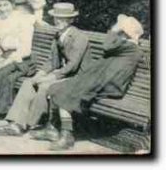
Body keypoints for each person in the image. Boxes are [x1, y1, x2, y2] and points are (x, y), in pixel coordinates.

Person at [37, 14, 144, 150]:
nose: (118, 32)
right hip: (102, 80)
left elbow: (106, 45)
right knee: (57, 87)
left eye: (121, 30)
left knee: (68, 92)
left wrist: (113, 30)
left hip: (109, 84)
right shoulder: (126, 46)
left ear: (126, 33)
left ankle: (67, 135)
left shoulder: (131, 47)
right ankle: (51, 128)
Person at [0, 2, 91, 137]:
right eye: (57, 18)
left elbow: (72, 66)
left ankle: (30, 124)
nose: (59, 21)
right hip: (63, 74)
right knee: (29, 82)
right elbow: (52, 61)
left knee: (45, 86)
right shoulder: (58, 35)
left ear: (71, 20)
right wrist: (39, 74)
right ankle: (16, 123)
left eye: (64, 19)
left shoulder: (79, 37)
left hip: (78, 77)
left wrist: (51, 77)